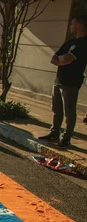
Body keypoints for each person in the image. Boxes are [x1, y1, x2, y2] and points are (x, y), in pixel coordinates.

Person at [40, 15, 87, 148]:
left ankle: (66, 138)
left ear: (80, 25)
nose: (71, 26)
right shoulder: (70, 42)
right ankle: (54, 133)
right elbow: (55, 58)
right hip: (59, 80)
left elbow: (67, 58)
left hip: (71, 83)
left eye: (73, 24)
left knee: (69, 111)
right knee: (56, 109)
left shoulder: (84, 44)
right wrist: (61, 60)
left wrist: (61, 60)